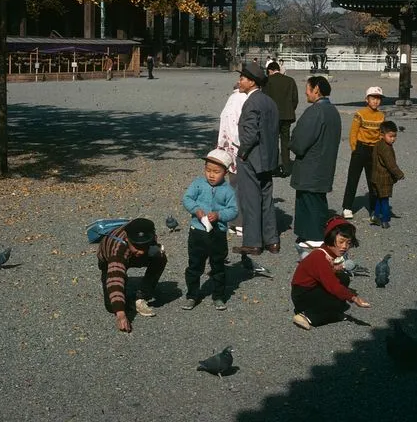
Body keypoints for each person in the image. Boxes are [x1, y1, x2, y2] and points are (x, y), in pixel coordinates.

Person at [232, 64, 280, 256]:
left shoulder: (251, 103)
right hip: (268, 158)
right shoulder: (270, 102)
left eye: (243, 78)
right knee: (266, 199)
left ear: (252, 81)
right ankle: (272, 240)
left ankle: (253, 242)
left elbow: (250, 134)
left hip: (252, 157)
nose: (240, 81)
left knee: (250, 200)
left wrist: (242, 152)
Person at [181, 149, 238, 311]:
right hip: (197, 232)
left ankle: (218, 296)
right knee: (194, 265)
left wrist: (219, 215)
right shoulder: (198, 183)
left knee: (218, 266)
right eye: (208, 170)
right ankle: (192, 295)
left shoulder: (228, 190)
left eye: (216, 172)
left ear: (226, 173)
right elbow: (187, 198)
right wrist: (196, 210)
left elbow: (234, 210)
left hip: (217, 234)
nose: (211, 175)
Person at [289, 76, 342, 247]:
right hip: (324, 164)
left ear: (316, 89)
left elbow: (300, 141)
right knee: (315, 200)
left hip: (311, 165)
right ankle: (309, 234)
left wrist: (293, 142)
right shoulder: (333, 111)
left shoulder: (315, 111)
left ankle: (315, 236)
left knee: (310, 201)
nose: (305, 91)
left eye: (308, 87)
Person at [291, 216, 370, 330]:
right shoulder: (320, 257)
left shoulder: (325, 253)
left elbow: (323, 274)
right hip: (303, 295)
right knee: (336, 295)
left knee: (343, 279)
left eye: (348, 243)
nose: (344, 247)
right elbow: (333, 286)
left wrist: (335, 269)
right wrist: (354, 298)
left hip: (307, 289)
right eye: (341, 242)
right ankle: (306, 314)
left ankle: (326, 309)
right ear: (330, 239)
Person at [97, 218, 167, 332]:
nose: (141, 251)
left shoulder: (150, 236)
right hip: (108, 258)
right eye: (137, 246)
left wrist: (156, 250)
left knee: (160, 257)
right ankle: (121, 283)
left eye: (144, 246)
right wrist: (121, 314)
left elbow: (150, 247)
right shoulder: (117, 251)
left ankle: (141, 295)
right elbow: (115, 279)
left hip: (129, 253)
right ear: (127, 239)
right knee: (112, 307)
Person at [340, 86, 385, 220]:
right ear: (367, 99)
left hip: (374, 150)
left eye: (378, 99)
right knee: (353, 179)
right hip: (360, 148)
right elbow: (353, 132)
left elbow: (381, 134)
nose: (375, 101)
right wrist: (355, 148)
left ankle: (373, 209)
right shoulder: (360, 114)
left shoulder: (381, 116)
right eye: (373, 98)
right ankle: (347, 207)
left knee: (373, 181)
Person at [263, 61, 299, 177]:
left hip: (272, 116)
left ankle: (274, 166)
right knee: (285, 141)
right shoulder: (290, 80)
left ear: (269, 70)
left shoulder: (268, 81)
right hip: (287, 115)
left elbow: (264, 100)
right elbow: (295, 99)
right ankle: (286, 166)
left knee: (272, 141)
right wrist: (290, 109)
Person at [369, 120, 404, 229]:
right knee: (385, 200)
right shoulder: (386, 148)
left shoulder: (378, 144)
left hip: (376, 176)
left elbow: (374, 160)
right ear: (382, 135)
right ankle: (384, 220)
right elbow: (390, 164)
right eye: (391, 136)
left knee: (379, 198)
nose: (393, 139)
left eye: (394, 136)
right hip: (384, 178)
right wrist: (399, 174)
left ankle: (375, 216)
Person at [217, 84, 249, 176]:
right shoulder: (244, 98)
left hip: (228, 138)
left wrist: (221, 143)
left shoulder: (232, 98)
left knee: (232, 170)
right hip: (238, 138)